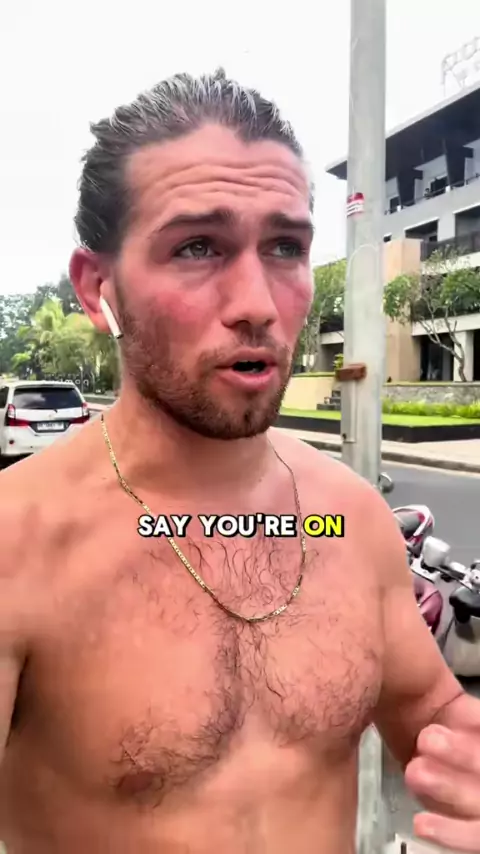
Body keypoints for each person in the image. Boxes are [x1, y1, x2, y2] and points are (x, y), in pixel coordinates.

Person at [1, 68, 479, 854]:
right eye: (198, 247)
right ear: (98, 288)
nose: (257, 302)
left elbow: (434, 719)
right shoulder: (18, 545)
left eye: (286, 247)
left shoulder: (350, 518)